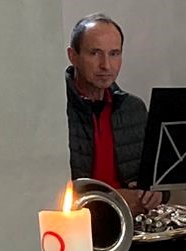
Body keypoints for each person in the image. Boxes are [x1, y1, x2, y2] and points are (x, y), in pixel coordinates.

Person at [65, 15, 158, 207]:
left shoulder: (134, 108)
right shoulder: (55, 109)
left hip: (134, 226)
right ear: (73, 56)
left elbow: (157, 177)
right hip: (78, 225)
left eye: (114, 54)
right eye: (95, 53)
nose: (106, 65)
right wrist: (117, 197)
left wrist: (158, 193)